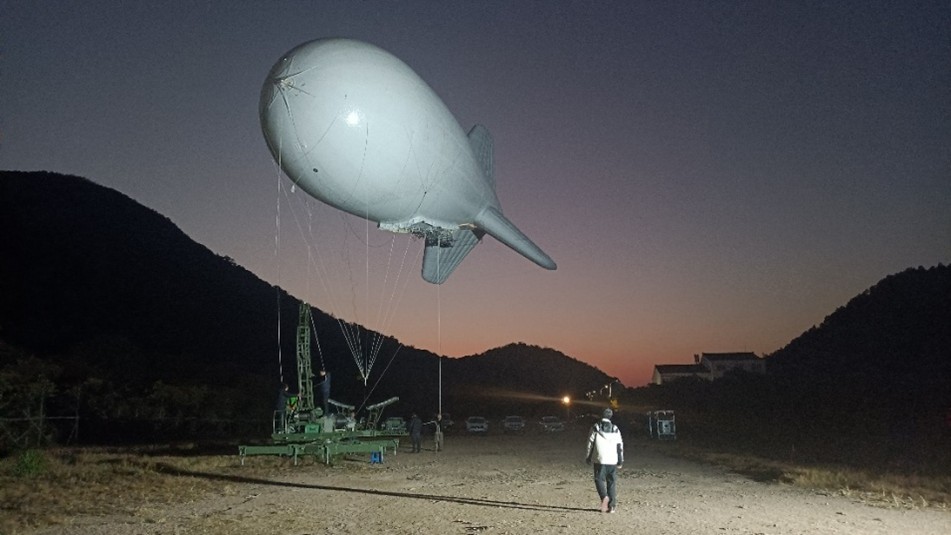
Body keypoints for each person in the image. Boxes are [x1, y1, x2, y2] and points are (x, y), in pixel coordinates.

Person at [586, 408, 624, 513]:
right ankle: (612, 506)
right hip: (612, 459)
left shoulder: (595, 427)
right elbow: (619, 445)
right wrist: (620, 460)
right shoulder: (615, 428)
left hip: (600, 458)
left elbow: (590, 443)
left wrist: (588, 457)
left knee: (599, 479)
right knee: (611, 482)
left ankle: (604, 497)